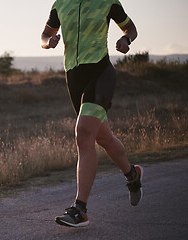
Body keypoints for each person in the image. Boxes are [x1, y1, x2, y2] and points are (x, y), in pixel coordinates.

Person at [41, 0, 143, 227]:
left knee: (83, 133)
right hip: (74, 78)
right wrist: (50, 42)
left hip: (100, 72)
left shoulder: (107, 2)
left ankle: (80, 209)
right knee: (103, 137)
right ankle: (132, 175)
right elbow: (45, 35)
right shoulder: (60, 4)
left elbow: (130, 27)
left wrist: (126, 39)